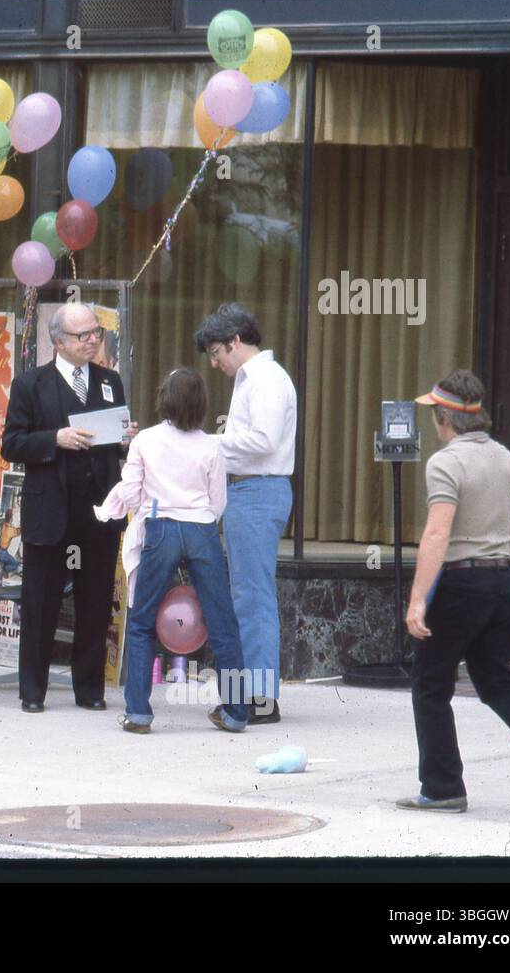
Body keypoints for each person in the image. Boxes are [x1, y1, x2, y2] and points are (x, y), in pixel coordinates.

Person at [398, 370, 510, 812]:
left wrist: (418, 600)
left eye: (434, 413)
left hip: (458, 584)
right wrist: (492, 562)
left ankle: (442, 787)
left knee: (431, 685)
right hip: (502, 582)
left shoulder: (446, 462)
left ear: (445, 418)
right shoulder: (508, 458)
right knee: (499, 684)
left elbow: (437, 533)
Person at [95, 367, 249, 734]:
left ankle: (139, 713)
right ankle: (236, 712)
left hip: (160, 527)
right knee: (222, 622)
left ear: (164, 398)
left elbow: (131, 490)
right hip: (201, 529)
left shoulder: (145, 440)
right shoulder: (212, 445)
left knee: (143, 620)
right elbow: (218, 502)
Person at [0, 302, 138, 713]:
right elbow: (11, 444)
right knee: (41, 601)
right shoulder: (30, 384)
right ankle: (32, 691)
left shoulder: (109, 380)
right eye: (83, 335)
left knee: (95, 599)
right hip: (51, 508)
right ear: (58, 342)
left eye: (96, 332)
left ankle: (90, 689)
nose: (93, 340)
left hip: (97, 507)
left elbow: (113, 437)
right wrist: (53, 439)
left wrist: (126, 438)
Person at [195, 302, 296, 724]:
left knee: (252, 598)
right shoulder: (251, 379)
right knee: (246, 596)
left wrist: (206, 444)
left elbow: (264, 441)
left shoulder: (266, 380)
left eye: (217, 352)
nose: (215, 363)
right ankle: (251, 694)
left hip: (257, 489)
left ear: (236, 341)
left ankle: (260, 698)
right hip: (246, 491)